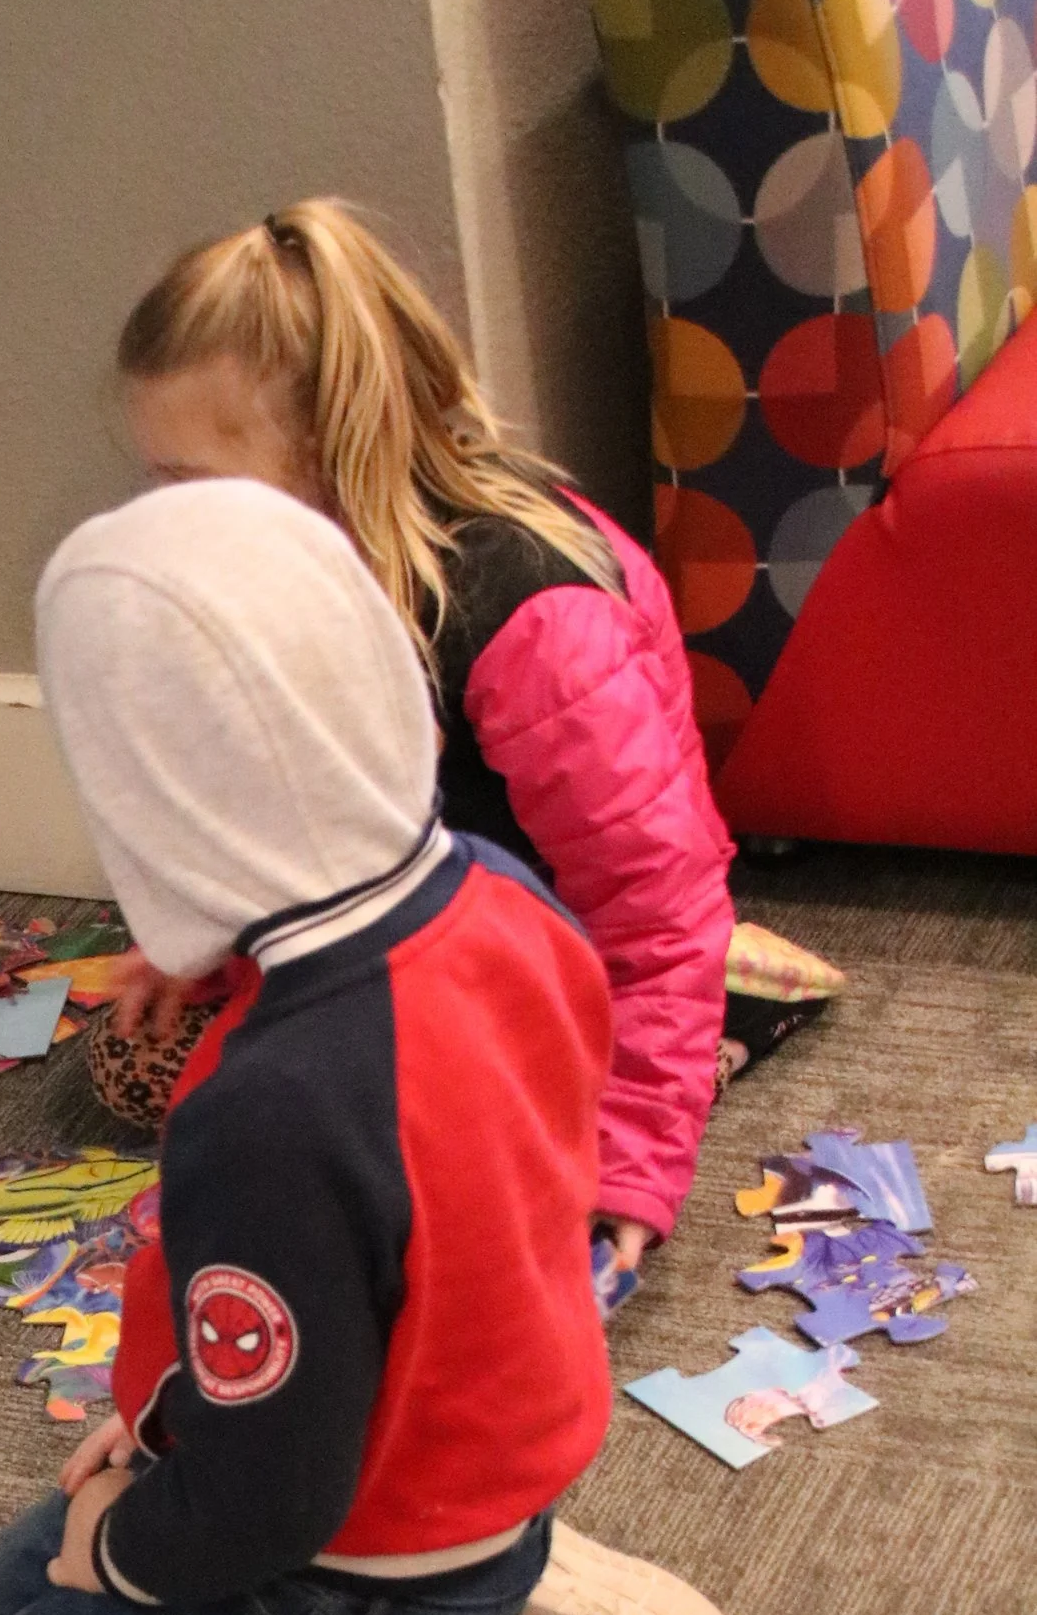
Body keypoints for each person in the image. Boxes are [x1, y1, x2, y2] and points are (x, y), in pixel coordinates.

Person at [0, 480, 762, 1615]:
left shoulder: (271, 1111)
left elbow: (270, 1497)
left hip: (361, 1562)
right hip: (479, 1437)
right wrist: (157, 1436)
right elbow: (411, 1230)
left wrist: (131, 1536)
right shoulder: (502, 890)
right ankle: (498, 1576)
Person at [87, 201, 841, 1297]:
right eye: (157, 486)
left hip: (566, 923)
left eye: (194, 489)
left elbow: (649, 900)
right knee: (140, 1068)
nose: (169, 524)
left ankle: (734, 998)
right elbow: (276, 799)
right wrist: (191, 939)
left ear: (339, 444)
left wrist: (626, 1173)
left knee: (448, 1197)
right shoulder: (262, 578)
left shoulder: (531, 613)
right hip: (419, 895)